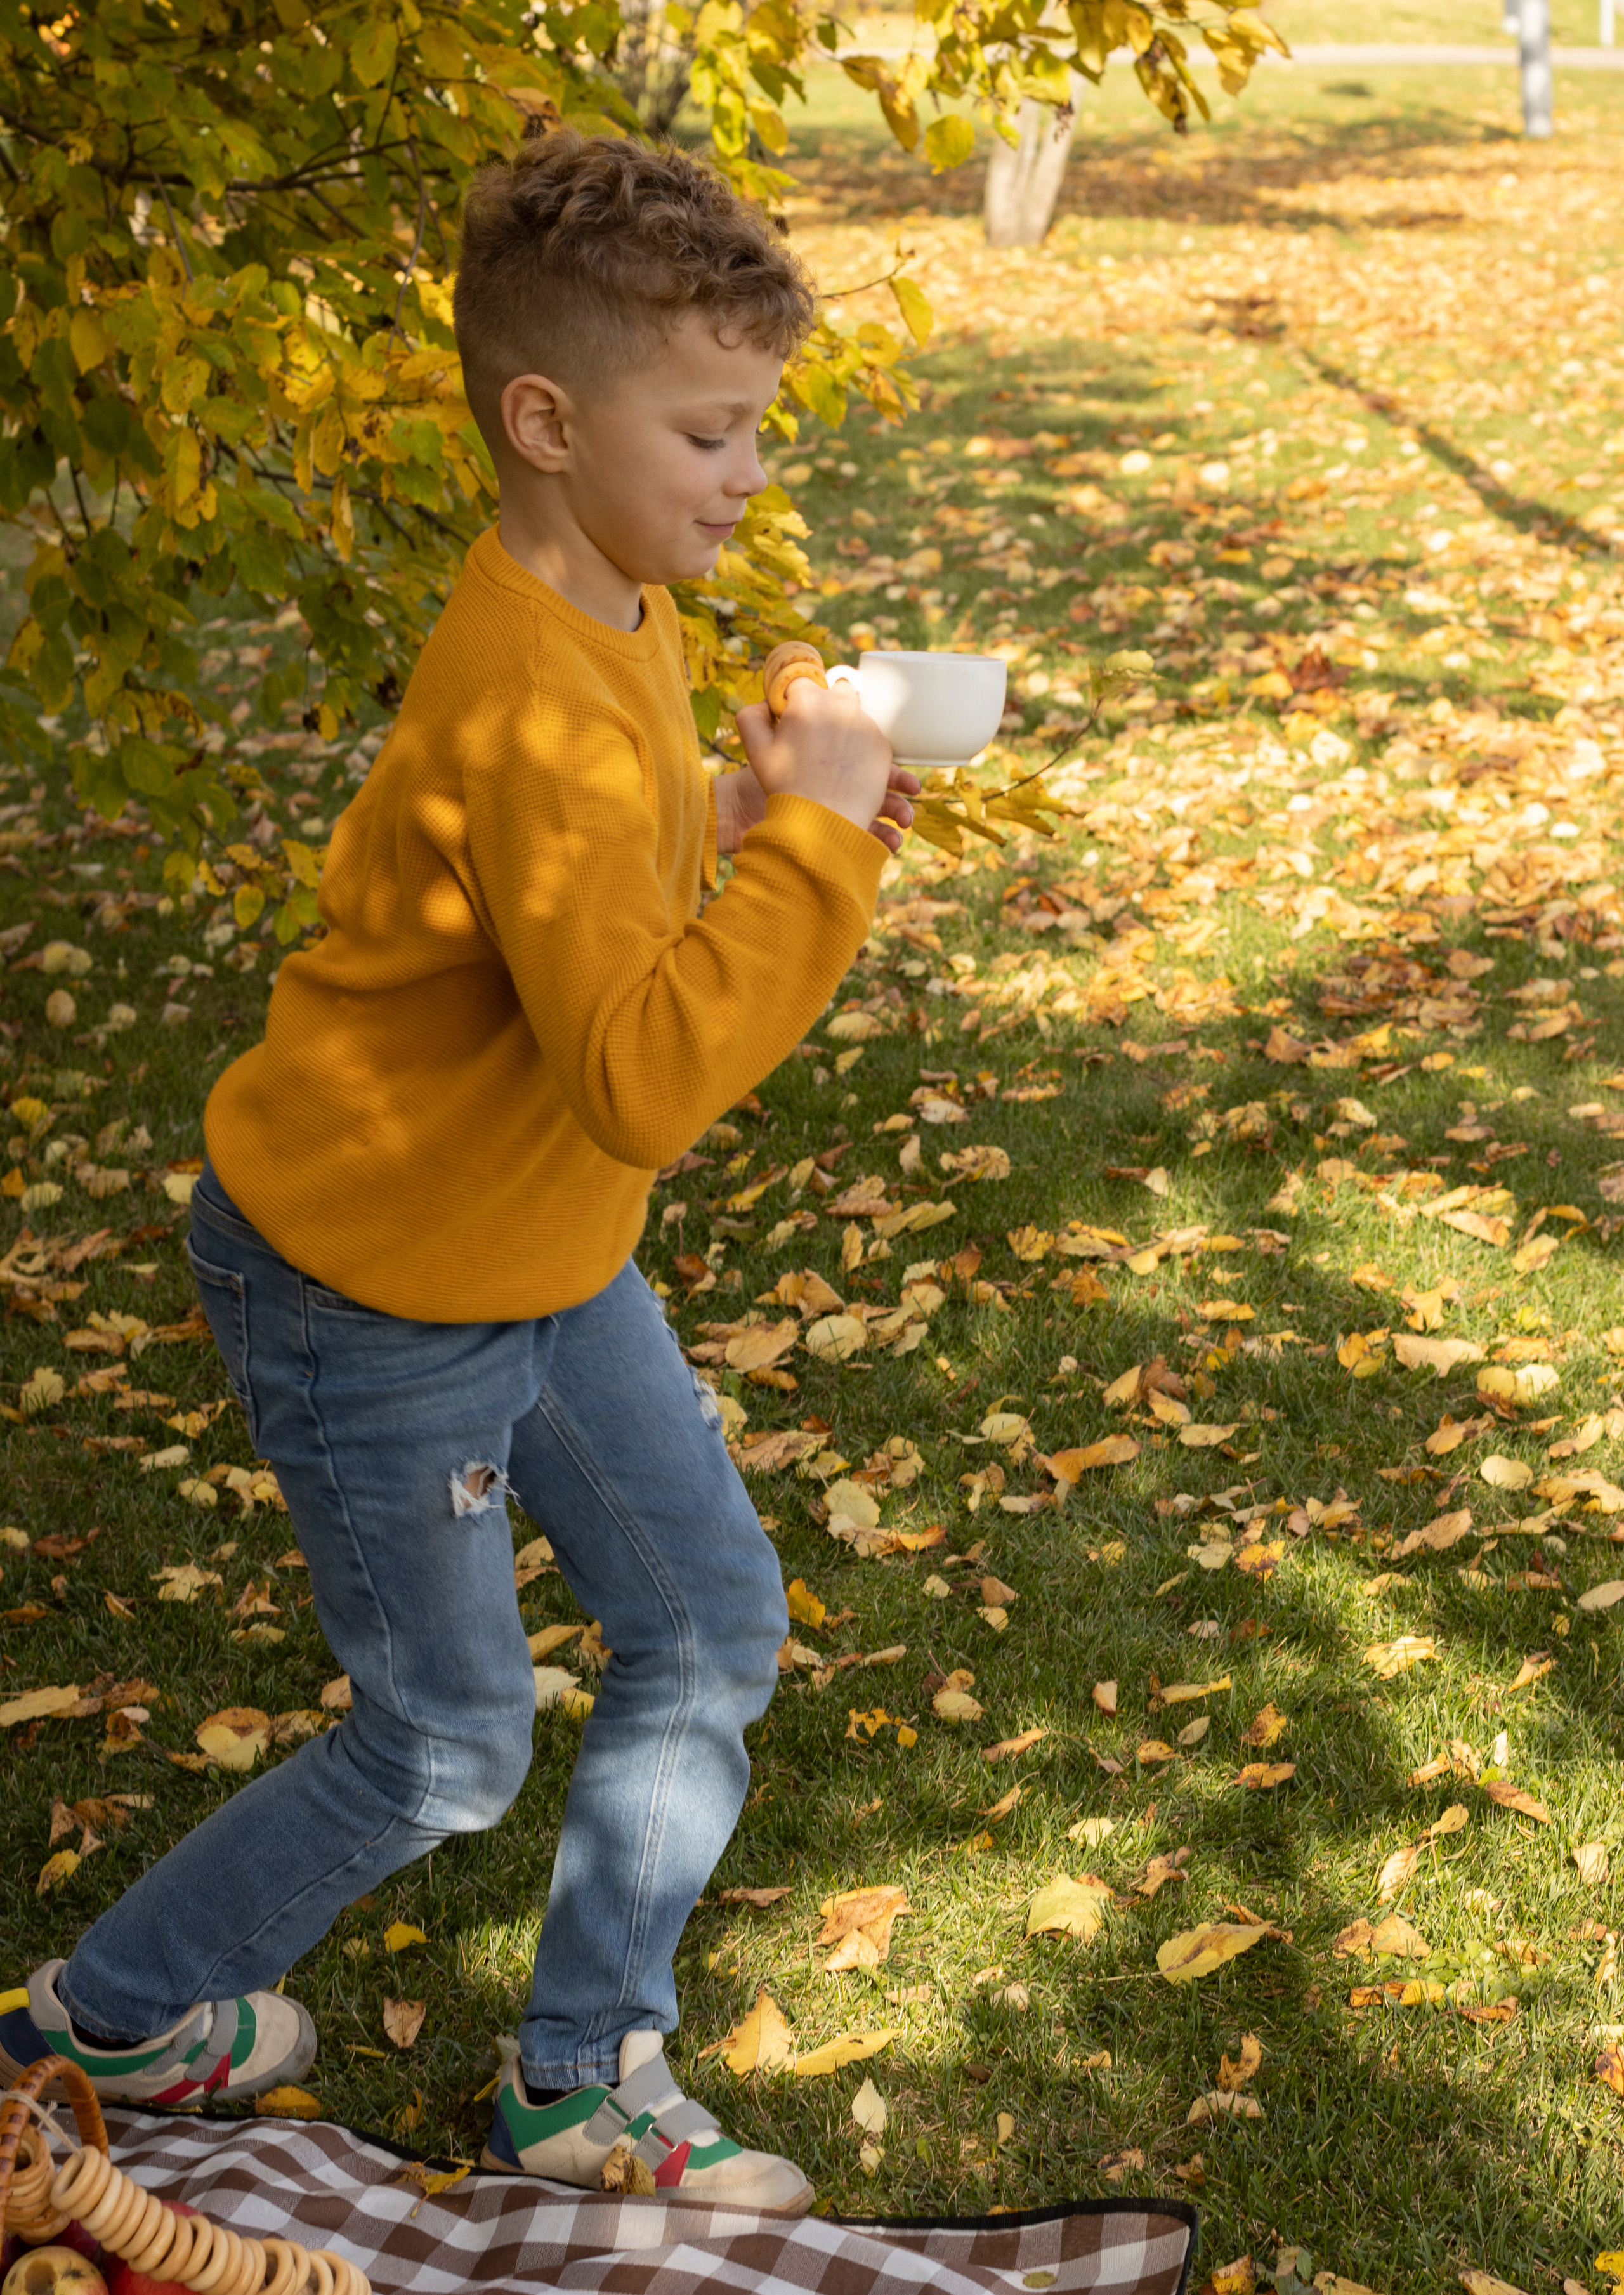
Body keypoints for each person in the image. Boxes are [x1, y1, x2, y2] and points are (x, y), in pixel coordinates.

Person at [1, 128, 918, 2216]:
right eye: (710, 431)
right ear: (546, 421)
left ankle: (582, 2077)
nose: (748, 473)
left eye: (754, 425)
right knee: (443, 1739)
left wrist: (735, 817)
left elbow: (583, 904)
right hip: (373, 1279)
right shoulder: (530, 696)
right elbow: (641, 1073)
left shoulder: (615, 608)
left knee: (706, 1619)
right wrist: (811, 857)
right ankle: (108, 2017)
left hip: (533, 1244)